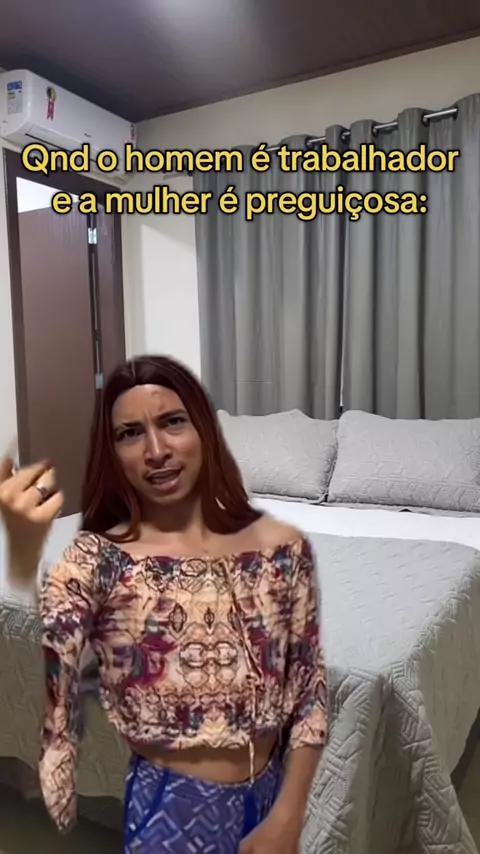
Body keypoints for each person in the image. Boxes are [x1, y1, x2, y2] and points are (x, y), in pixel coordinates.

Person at [0, 355, 328, 853]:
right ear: (113, 453)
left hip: (272, 792)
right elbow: (56, 635)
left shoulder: (283, 547)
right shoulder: (100, 557)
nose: (156, 451)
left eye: (173, 422)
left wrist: (290, 813)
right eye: (130, 434)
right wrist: (24, 550)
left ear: (204, 430)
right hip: (172, 809)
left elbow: (308, 687)